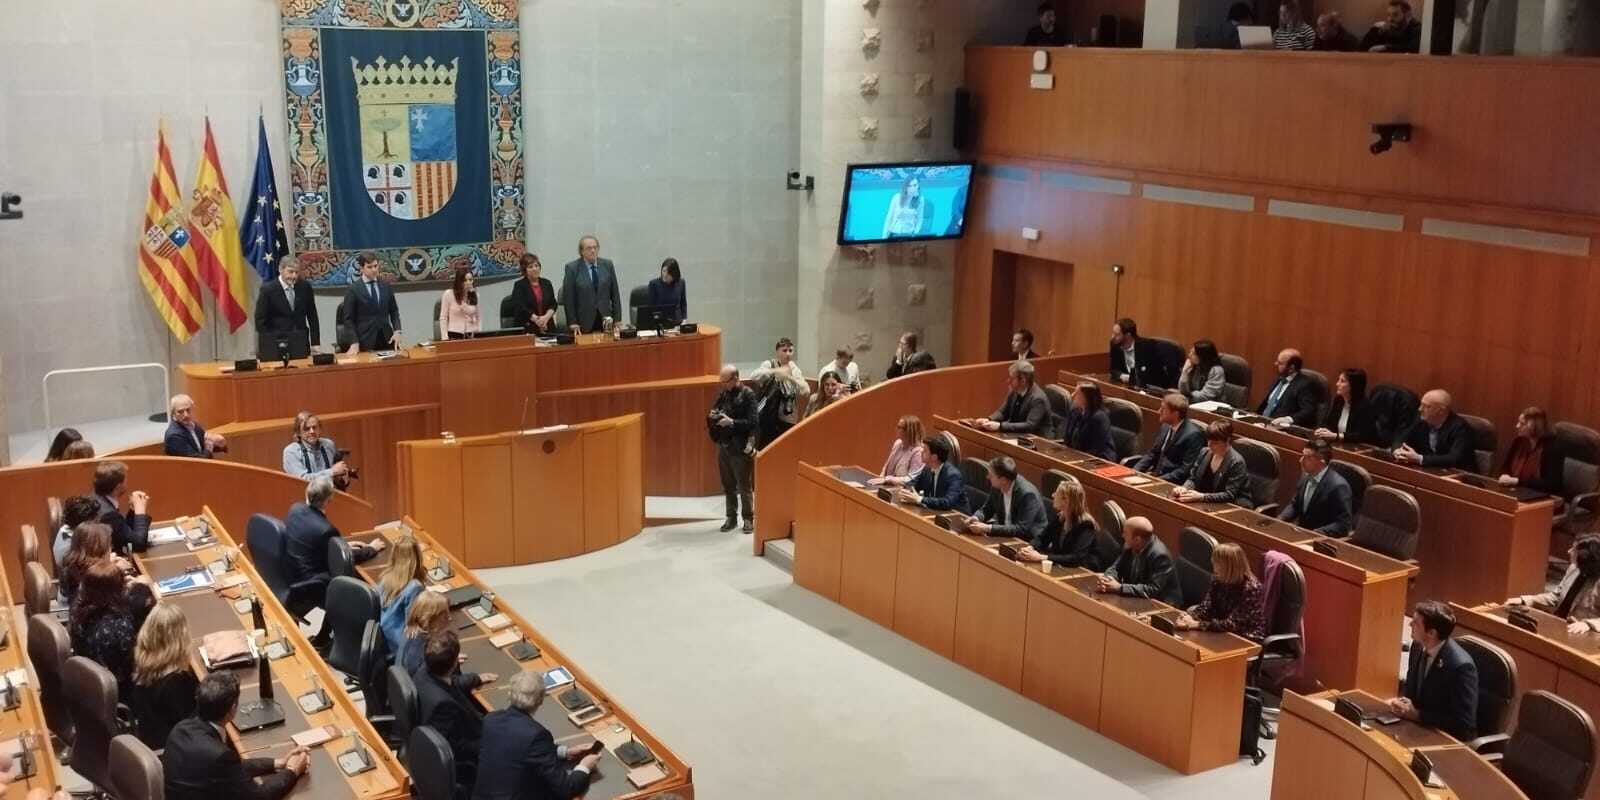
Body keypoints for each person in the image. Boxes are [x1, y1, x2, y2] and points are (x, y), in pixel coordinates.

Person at [162, 671, 309, 800]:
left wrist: (277, 763)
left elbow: (232, 769)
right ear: (232, 709)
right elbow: (258, 797)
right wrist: (292, 770)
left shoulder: (180, 730)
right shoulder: (219, 756)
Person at [470, 670, 600, 800]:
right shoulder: (536, 735)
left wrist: (567, 752)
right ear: (540, 700)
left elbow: (521, 749)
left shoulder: (491, 720)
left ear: (509, 693)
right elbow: (565, 788)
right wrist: (584, 767)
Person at [1387, 601, 1480, 741]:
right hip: (1416, 728)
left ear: (1431, 633)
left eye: (1416, 623)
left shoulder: (1460, 667)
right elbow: (1412, 690)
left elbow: (1464, 726)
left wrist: (1417, 715)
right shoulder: (1418, 646)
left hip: (1443, 738)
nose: (1410, 624)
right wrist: (1401, 704)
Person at [283, 477, 380, 603]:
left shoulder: (295, 509)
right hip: (311, 583)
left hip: (291, 572)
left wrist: (343, 545)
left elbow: (314, 542)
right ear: (330, 499)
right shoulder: (326, 530)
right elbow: (342, 559)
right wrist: (371, 548)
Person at [70, 560, 153, 700]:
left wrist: (135, 589)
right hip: (119, 690)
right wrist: (140, 588)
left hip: (89, 683)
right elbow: (137, 665)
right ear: (115, 592)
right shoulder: (118, 627)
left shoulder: (77, 610)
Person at [415, 630, 487, 787]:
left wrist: (476, 678)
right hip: (470, 752)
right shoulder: (443, 705)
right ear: (455, 663)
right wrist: (492, 741)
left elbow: (450, 683)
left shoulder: (423, 671)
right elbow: (457, 747)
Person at [131, 602, 199, 748]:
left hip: (153, 738)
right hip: (175, 749)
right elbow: (192, 727)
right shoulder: (176, 682)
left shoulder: (144, 663)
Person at [1508, 535, 1600, 634]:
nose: (1569, 551)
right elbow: (1556, 597)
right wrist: (1526, 600)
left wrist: (1588, 624)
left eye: (1574, 550)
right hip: (1560, 625)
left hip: (1582, 634)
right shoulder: (1574, 568)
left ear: (1585, 558)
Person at [1176, 542, 1265, 640]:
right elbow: (1206, 606)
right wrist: (1190, 617)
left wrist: (1197, 624)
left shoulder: (1251, 588)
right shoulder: (1218, 579)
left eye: (1217, 562)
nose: (1213, 565)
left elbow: (1233, 624)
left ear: (1229, 566)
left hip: (1246, 637)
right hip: (1220, 630)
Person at [708, 364, 758, 533]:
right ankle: (731, 517)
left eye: (725, 382)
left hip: (740, 446)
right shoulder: (723, 394)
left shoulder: (748, 395)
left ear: (735, 379)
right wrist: (714, 417)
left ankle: (748, 518)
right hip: (724, 445)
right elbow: (714, 411)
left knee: (744, 486)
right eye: (721, 382)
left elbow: (753, 422)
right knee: (727, 485)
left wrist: (732, 422)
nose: (722, 385)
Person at [1017, 475, 1101, 569]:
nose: (1052, 495)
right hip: (1061, 565)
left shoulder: (1086, 525)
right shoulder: (1060, 517)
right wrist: (1030, 548)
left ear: (1066, 501)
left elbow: (1076, 558)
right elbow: (1043, 538)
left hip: (1081, 571)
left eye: (1056, 494)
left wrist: (1041, 557)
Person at [1097, 516, 1181, 605]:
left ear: (1137, 539)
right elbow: (1116, 567)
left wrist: (1119, 588)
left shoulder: (1160, 556)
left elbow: (1152, 589)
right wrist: (1108, 579)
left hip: (1161, 604)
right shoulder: (1129, 545)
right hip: (1138, 598)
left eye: (1125, 533)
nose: (1123, 535)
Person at [1279, 438, 1354, 536]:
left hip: (1320, 539)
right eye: (1302, 455)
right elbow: (1295, 504)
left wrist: (1316, 533)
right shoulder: (1305, 476)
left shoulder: (1339, 486)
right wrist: (1280, 519)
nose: (1301, 460)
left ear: (1321, 463)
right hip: (1301, 534)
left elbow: (1343, 524)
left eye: (1307, 458)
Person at [967, 457, 1048, 542]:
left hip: (1028, 541)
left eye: (991, 475)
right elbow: (987, 509)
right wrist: (976, 517)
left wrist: (988, 528)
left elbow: (1020, 529)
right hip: (1006, 535)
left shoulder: (1028, 495)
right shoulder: (997, 487)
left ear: (1003, 480)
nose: (987, 477)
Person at [1173, 420, 1251, 506]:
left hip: (1232, 505)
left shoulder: (1237, 462)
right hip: (1206, 502)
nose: (1209, 445)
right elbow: (1193, 478)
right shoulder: (1204, 452)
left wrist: (1202, 497)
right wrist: (1184, 488)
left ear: (1227, 440)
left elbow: (1230, 494)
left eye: (1215, 443)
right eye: (1209, 440)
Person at [965, 361, 1052, 436]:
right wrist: (989, 419)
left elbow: (1029, 426)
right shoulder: (1014, 391)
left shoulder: (1038, 398)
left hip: (1039, 441)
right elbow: (1002, 412)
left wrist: (1000, 426)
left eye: (1012, 378)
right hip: (1018, 436)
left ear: (1023, 381)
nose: (1008, 381)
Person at [1394, 390, 1475, 470]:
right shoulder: (1421, 420)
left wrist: (1419, 458)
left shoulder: (1461, 428)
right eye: (1421, 405)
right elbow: (1401, 440)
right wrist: (1398, 451)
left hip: (1459, 475)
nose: (1420, 409)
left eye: (1425, 406)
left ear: (1441, 410)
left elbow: (1454, 459)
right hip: (1429, 470)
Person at [253, 256, 319, 354]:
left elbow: (312, 316)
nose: (294, 276)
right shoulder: (268, 290)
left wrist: (315, 343)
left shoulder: (305, 287)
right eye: (290, 272)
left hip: (300, 342)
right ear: (280, 269)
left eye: (296, 272)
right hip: (277, 343)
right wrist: (268, 344)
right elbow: (260, 320)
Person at [1134, 394, 1206, 482]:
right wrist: (1134, 471)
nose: (1159, 411)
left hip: (1172, 482)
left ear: (1175, 414)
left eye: (1163, 410)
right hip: (1154, 476)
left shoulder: (1194, 435)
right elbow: (1152, 454)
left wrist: (1156, 481)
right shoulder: (1165, 425)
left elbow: (1185, 470)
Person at [751, 339, 809, 447]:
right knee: (767, 448)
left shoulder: (795, 369)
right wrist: (775, 371)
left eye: (790, 350)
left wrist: (789, 377)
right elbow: (754, 375)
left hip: (788, 418)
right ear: (777, 352)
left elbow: (806, 391)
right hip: (769, 417)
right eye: (784, 350)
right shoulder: (769, 364)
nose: (788, 354)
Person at [342, 252, 403, 351]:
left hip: (387, 339)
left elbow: (394, 311)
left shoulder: (386, 286)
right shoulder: (353, 289)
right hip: (364, 340)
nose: (374, 270)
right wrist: (354, 341)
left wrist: (397, 331)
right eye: (369, 267)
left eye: (375, 266)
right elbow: (348, 320)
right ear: (361, 268)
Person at [561, 235, 622, 334]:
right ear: (581, 251)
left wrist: (618, 318)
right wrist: (572, 322)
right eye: (589, 248)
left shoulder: (607, 265)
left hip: (606, 320)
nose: (593, 251)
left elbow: (615, 294)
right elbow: (569, 299)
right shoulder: (572, 268)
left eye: (595, 247)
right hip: (583, 321)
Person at [1498, 407, 1566, 495]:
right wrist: (1505, 475)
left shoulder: (1553, 448)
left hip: (1542, 495)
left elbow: (1552, 484)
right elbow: (1506, 466)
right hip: (1516, 491)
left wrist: (1518, 481)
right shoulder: (1519, 441)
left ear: (1535, 427)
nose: (1517, 426)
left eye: (1522, 424)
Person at [377, 535, 427, 653]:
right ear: (417, 557)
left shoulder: (385, 577)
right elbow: (414, 624)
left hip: (382, 638)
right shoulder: (415, 587)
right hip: (399, 646)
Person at [897, 434, 969, 514]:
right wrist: (908, 492)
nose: (921, 452)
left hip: (957, 517)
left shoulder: (953, 475)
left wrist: (919, 499)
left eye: (925, 450)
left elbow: (947, 502)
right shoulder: (927, 469)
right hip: (935, 512)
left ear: (934, 457)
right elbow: (912, 483)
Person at [93, 460, 150, 553]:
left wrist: (133, 510)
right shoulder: (108, 515)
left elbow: (124, 533)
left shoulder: (97, 498)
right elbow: (138, 544)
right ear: (118, 487)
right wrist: (140, 511)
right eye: (126, 480)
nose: (127, 482)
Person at [1314, 368, 1381, 446]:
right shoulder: (1339, 400)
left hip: (1360, 448)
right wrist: (1322, 430)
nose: (1337, 384)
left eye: (1342, 381)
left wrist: (1336, 436)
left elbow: (1361, 436)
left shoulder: (1365, 407)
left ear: (1353, 385)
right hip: (1341, 445)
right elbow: (1330, 423)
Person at [281, 411, 351, 485]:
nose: (312, 431)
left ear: (320, 429)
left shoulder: (328, 445)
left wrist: (343, 480)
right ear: (298, 432)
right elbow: (303, 480)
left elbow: (335, 476)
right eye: (307, 429)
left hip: (329, 490)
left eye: (314, 427)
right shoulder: (291, 452)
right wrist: (331, 472)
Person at [1256, 348, 1322, 426]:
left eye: (1280, 363)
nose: (1275, 364)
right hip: (1261, 423)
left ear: (1291, 368)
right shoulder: (1280, 379)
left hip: (1280, 427)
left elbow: (1308, 411)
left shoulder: (1305, 384)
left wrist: (1289, 419)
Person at [59, 521, 118, 604]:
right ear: (98, 549)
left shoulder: (71, 567)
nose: (110, 549)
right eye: (108, 545)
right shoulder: (98, 578)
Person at [1108, 317, 1175, 388]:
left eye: (1117, 334)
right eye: (1113, 333)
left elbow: (1156, 374)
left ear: (1128, 335)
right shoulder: (1115, 344)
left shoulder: (1147, 346)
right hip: (1129, 386)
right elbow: (1113, 369)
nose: (1112, 337)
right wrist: (1121, 375)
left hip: (1151, 387)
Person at [396, 591, 452, 676]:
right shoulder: (424, 648)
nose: (449, 617)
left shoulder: (410, 631)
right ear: (429, 618)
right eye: (444, 614)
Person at [52, 494, 104, 578]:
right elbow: (92, 574)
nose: (98, 522)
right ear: (84, 524)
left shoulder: (66, 528)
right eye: (95, 520)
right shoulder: (71, 548)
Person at [1061, 382, 1116, 460]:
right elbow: (1067, 438)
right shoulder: (1074, 411)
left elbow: (1095, 448)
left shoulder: (1100, 418)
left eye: (1077, 393)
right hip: (1077, 455)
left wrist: (1076, 459)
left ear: (1086, 398)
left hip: (1100, 459)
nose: (1072, 395)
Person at [508, 253, 559, 333]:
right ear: (525, 270)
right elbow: (521, 308)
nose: (534, 269)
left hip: (548, 326)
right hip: (528, 327)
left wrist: (545, 318)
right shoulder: (519, 285)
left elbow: (553, 304)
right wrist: (537, 320)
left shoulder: (546, 283)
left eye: (536, 266)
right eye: (530, 267)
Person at [871, 415, 926, 487]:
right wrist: (881, 478)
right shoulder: (898, 443)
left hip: (903, 490)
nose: (896, 429)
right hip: (887, 486)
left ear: (909, 431)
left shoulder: (918, 453)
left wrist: (887, 479)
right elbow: (886, 465)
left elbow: (910, 479)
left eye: (899, 427)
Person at [439, 267, 481, 339]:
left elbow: (478, 317)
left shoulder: (476, 295)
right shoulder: (449, 294)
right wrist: (445, 338)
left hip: (472, 334)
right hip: (454, 335)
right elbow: (443, 317)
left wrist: (480, 335)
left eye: (470, 280)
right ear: (459, 282)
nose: (468, 283)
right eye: (465, 280)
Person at [647, 257, 688, 324]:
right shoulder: (654, 284)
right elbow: (650, 308)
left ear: (675, 273)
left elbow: (683, 303)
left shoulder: (681, 282)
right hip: (660, 322)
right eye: (664, 271)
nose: (665, 275)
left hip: (677, 322)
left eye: (669, 273)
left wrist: (684, 319)